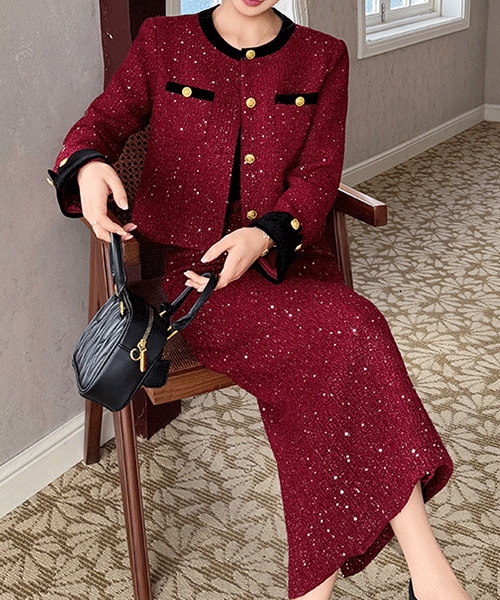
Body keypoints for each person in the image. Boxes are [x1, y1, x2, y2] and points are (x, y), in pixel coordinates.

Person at [48, 1, 471, 599]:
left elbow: (319, 178)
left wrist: (264, 235)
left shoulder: (324, 57)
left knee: (339, 349)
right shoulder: (162, 41)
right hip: (202, 281)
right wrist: (88, 166)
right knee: (352, 335)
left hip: (290, 261)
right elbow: (96, 127)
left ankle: (368, 584)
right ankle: (432, 578)